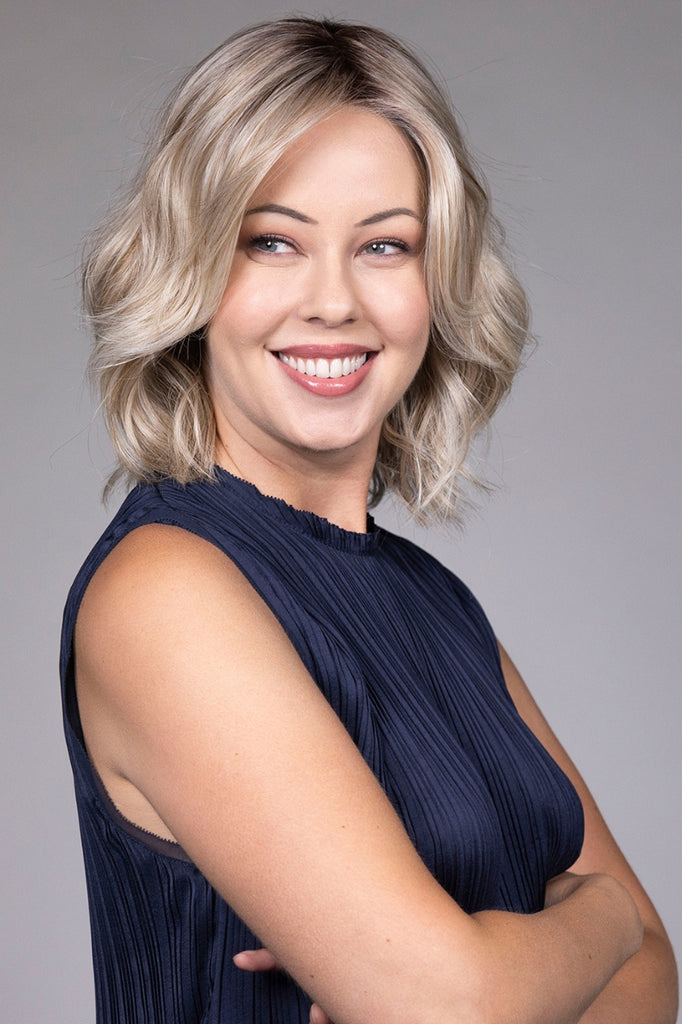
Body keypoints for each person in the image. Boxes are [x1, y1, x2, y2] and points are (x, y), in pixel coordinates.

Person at [61, 16, 677, 1024]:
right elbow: (453, 1009)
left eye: (383, 244)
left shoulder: (434, 603)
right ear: (193, 271)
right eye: (272, 242)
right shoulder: (165, 588)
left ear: (434, 282)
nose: (333, 300)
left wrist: (529, 957)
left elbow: (652, 988)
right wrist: (601, 915)